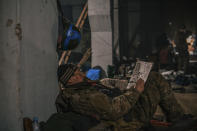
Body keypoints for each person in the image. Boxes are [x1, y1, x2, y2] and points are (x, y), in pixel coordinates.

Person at [43, 64, 196, 131]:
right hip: (127, 121)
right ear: (70, 80)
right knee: (154, 78)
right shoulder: (82, 97)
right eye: (77, 72)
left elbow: (110, 94)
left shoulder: (83, 88)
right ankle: (177, 118)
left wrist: (129, 84)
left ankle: (176, 116)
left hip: (125, 113)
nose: (82, 73)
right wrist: (136, 91)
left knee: (149, 77)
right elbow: (114, 110)